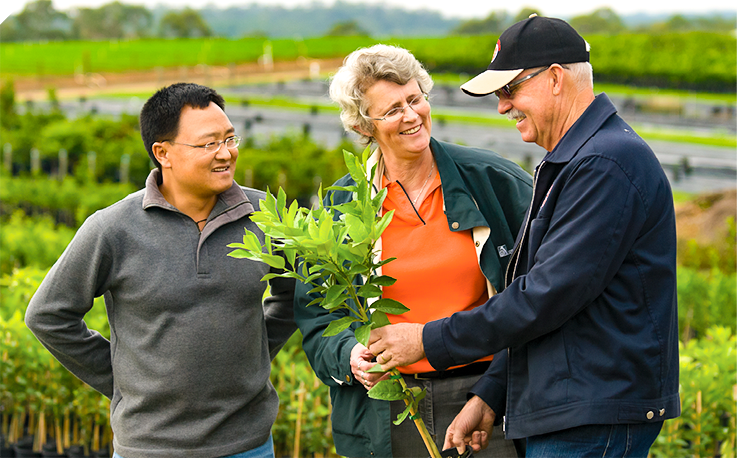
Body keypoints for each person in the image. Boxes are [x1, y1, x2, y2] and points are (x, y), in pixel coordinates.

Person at [367, 15, 680, 457]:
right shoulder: (576, 160)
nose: (501, 106)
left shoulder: (605, 164)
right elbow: (548, 304)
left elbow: (545, 296)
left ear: (554, 79)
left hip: (592, 415)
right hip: (574, 408)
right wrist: (493, 391)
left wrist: (427, 340)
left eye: (509, 90)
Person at [25, 82, 296, 458]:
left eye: (231, 139)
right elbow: (48, 315)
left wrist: (255, 355)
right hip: (150, 447)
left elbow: (299, 293)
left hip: (248, 444)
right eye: (209, 144)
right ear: (162, 152)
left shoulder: (268, 215)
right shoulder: (113, 228)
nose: (226, 154)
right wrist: (125, 381)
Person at [293, 44, 533, 458]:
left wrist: (495, 390)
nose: (410, 116)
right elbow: (316, 316)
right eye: (391, 110)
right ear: (364, 126)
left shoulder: (493, 181)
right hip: (389, 404)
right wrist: (350, 354)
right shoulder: (340, 206)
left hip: (485, 398)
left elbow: (538, 292)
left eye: (415, 99)